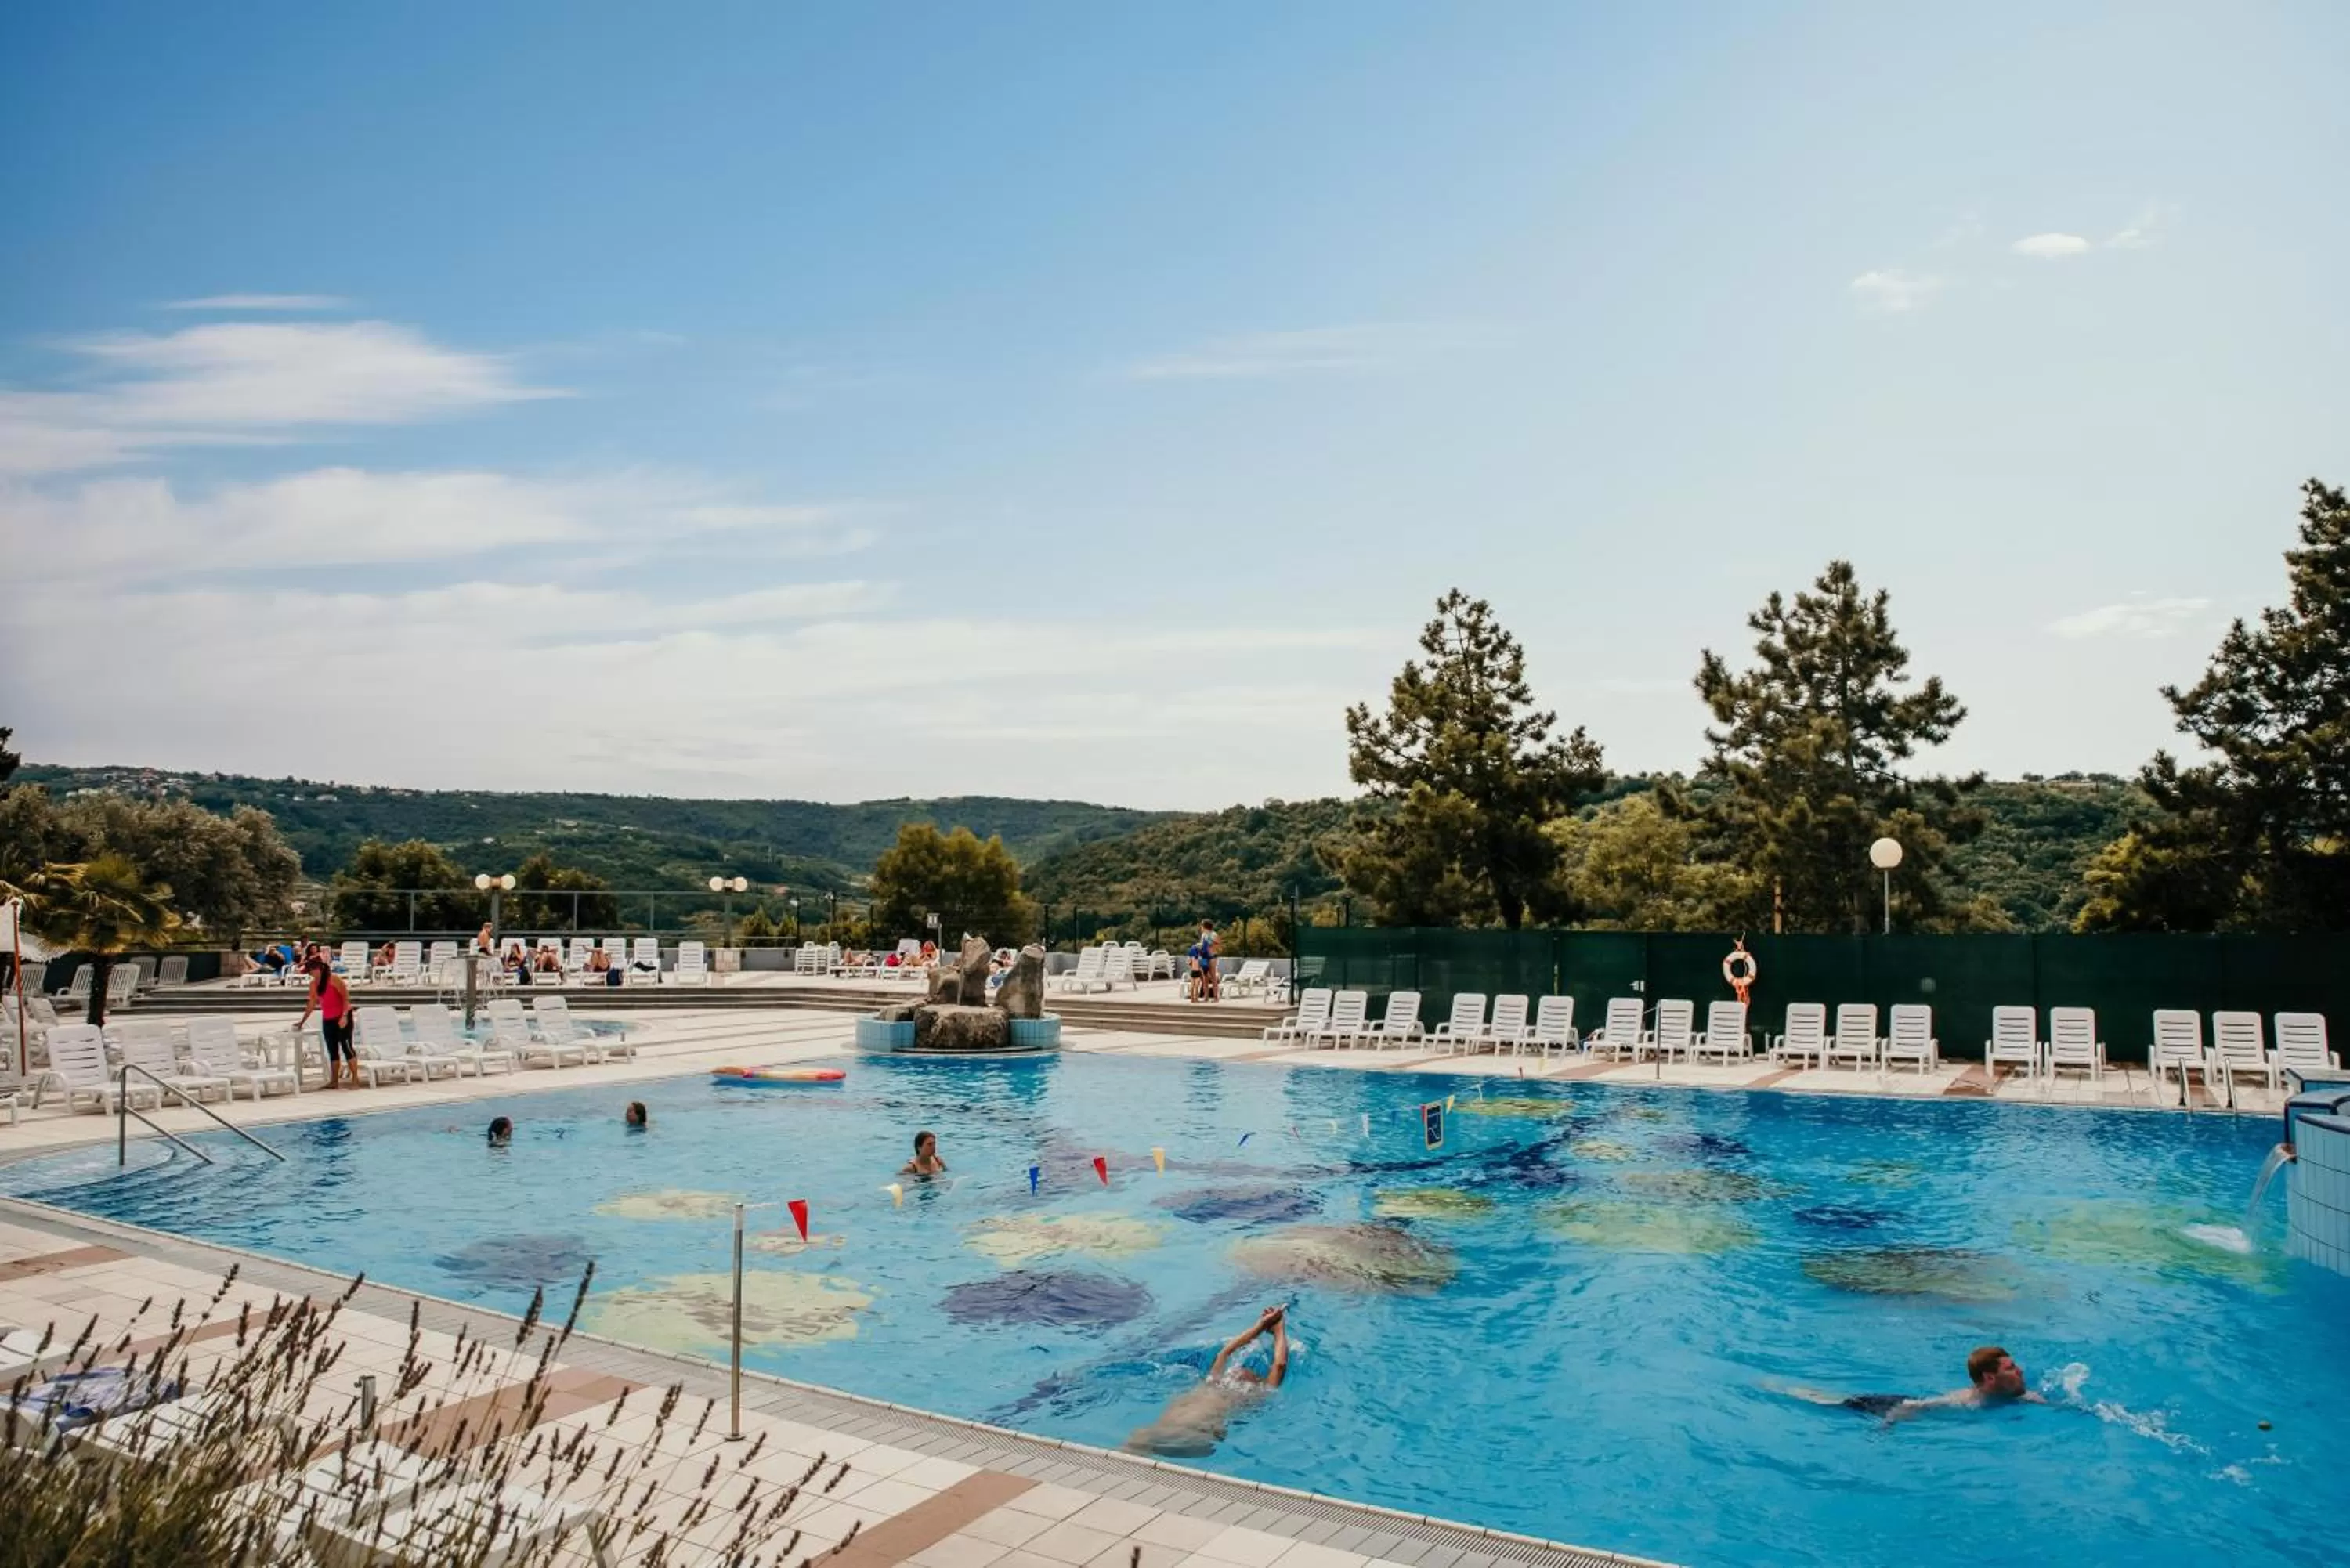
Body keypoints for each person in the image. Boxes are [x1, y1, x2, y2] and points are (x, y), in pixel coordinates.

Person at [1125, 1305, 1289, 1457]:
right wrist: (1263, 1326)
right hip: (1174, 1432)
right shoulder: (1220, 1382)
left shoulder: (1254, 1393)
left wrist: (1278, 1330)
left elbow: (1279, 1365)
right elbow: (1226, 1352)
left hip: (1190, 1433)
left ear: (1256, 1381)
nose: (1241, 1370)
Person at [1785, 1346, 2045, 1423]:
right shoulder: (1965, 1402)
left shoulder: (2021, 1395)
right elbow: (1911, 1406)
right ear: (1989, 1378)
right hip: (1893, 1403)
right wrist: (1886, 1426)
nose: (2020, 1370)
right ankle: (1791, 1390)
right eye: (2011, 1368)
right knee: (1841, 1404)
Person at [296, 956, 357, 1089]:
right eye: (308, 972)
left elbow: (346, 999)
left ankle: (355, 1080)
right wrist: (302, 1022)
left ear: (319, 969)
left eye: (311, 971)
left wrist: (344, 1016)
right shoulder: (313, 984)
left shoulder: (334, 980)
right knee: (332, 1050)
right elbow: (312, 1003)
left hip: (342, 1016)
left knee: (347, 1047)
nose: (310, 974)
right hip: (328, 1019)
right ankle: (334, 1081)